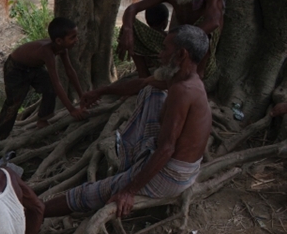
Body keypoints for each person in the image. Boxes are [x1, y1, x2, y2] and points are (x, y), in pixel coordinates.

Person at [44, 25, 212, 219]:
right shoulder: (182, 78)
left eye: (165, 48)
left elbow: (167, 149)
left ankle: (35, 212)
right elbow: (141, 84)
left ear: (181, 54)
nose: (160, 54)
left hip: (172, 175)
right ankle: (132, 159)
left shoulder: (183, 91)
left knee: (88, 193)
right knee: (151, 90)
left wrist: (129, 191)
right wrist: (101, 91)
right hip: (179, 164)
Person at [0, 17, 88, 140]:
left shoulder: (62, 49)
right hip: (15, 68)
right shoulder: (46, 52)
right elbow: (57, 82)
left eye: (76, 36)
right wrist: (72, 110)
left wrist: (82, 97)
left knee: (49, 88)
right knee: (13, 103)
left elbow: (70, 71)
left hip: (33, 68)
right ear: (59, 41)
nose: (77, 40)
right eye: (72, 38)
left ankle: (43, 120)